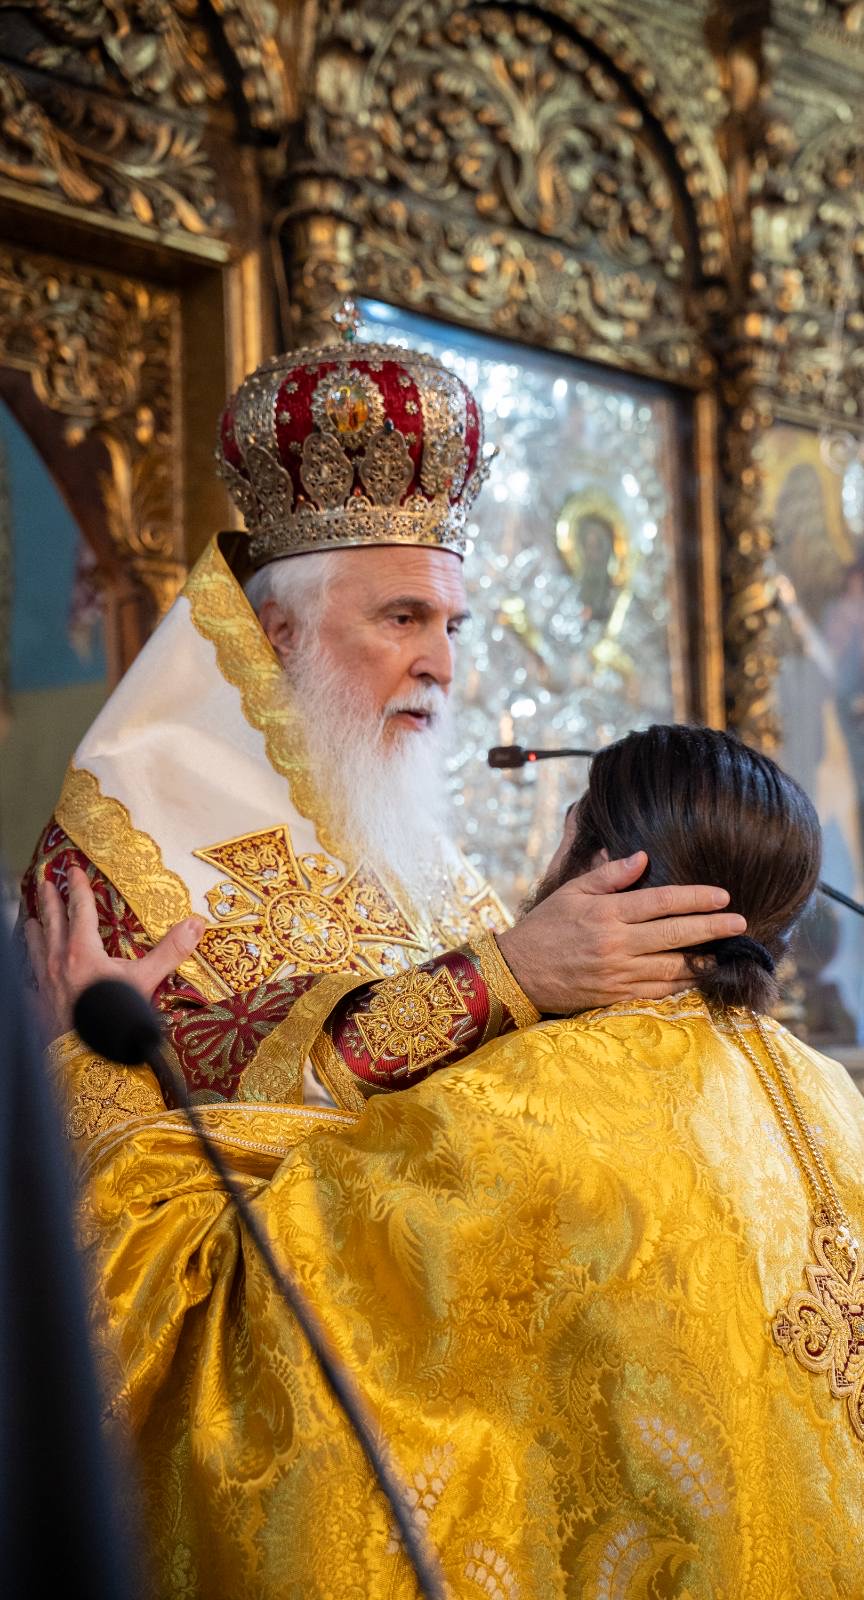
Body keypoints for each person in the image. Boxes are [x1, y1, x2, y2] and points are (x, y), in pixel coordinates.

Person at [28, 725, 864, 1598]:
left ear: (600, 870)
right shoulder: (839, 1110)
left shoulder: (517, 1114)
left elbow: (209, 1310)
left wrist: (84, 1058)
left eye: (567, 825)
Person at [21, 307, 742, 1106]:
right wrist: (507, 974)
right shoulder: (121, 835)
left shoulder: (406, 841)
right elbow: (130, 1104)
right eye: (403, 619)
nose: (441, 665)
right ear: (281, 631)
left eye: (452, 626)